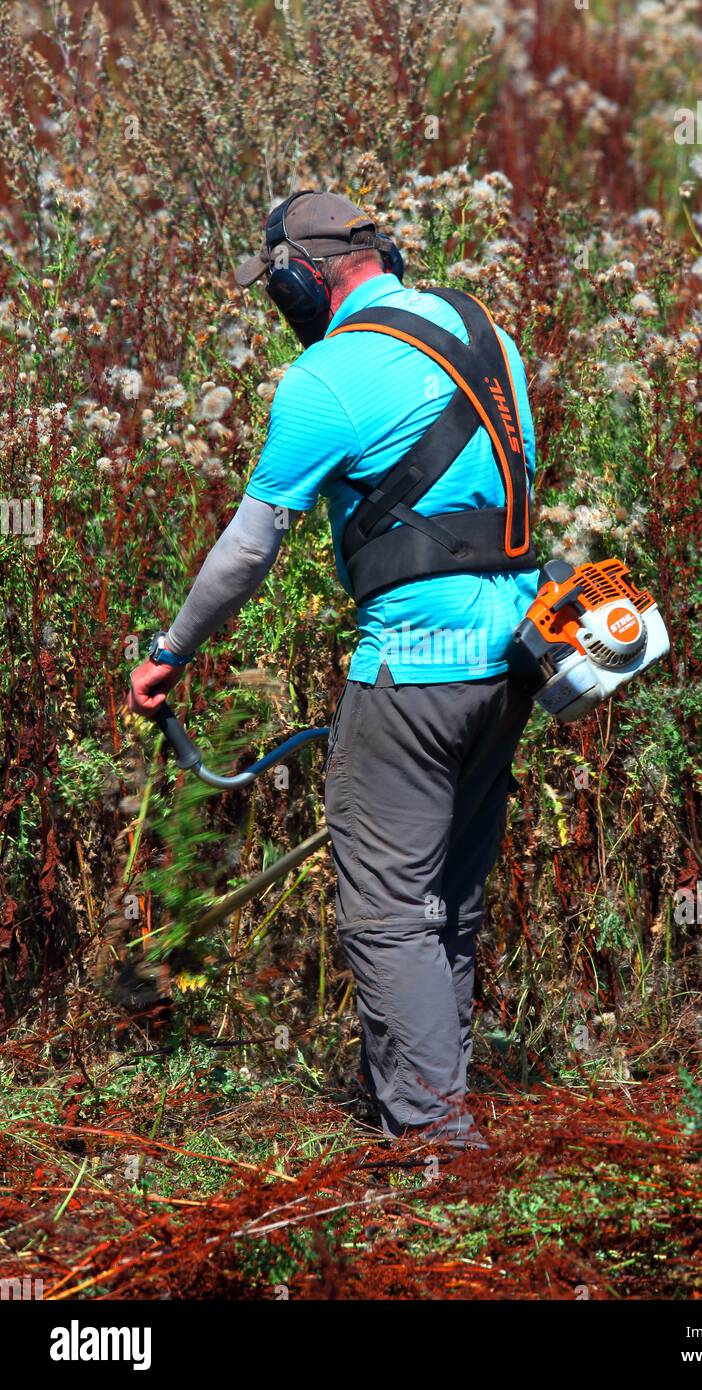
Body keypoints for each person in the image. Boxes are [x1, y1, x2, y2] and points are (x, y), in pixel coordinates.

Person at [128, 190, 539, 1146]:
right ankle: (432, 1109)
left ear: (302, 275)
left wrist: (168, 654)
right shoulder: (485, 329)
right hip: (514, 660)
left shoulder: (328, 375)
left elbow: (246, 551)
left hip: (412, 672)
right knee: (448, 898)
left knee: (389, 912)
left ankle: (437, 1144)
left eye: (274, 283)